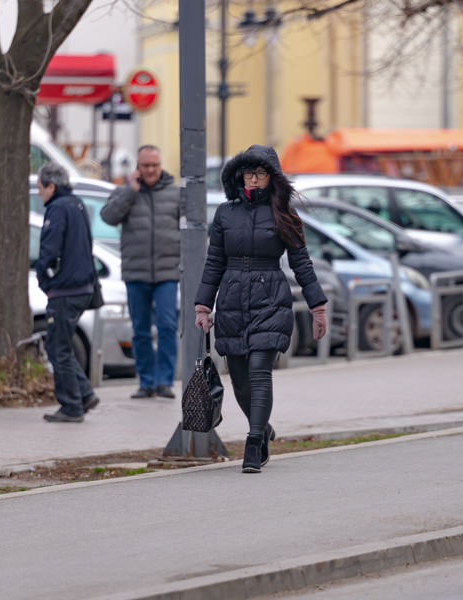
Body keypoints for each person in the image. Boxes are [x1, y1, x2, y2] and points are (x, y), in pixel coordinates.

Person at [194, 145, 329, 473]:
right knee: (240, 379)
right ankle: (263, 426)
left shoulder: (285, 214)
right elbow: (214, 262)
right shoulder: (225, 214)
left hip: (270, 298)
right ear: (239, 175)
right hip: (232, 300)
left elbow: (301, 263)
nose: (253, 179)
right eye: (249, 173)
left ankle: (254, 442)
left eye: (261, 173)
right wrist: (203, 305)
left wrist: (318, 307)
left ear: (272, 177)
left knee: (259, 369)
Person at [101, 145, 181, 399]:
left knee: (167, 326)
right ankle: (146, 382)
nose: (150, 170)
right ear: (138, 166)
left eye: (154, 165)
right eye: (145, 165)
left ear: (160, 165)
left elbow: (191, 226)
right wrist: (130, 192)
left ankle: (164, 382)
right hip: (136, 273)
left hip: (167, 273)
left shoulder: (175, 193)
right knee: (141, 331)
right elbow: (108, 216)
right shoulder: (125, 192)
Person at [36, 163, 101, 423]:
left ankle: (72, 405)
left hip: (64, 289)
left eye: (40, 187)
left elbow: (49, 250)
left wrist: (43, 278)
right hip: (82, 287)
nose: (39, 193)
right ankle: (84, 394)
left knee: (57, 348)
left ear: (51, 186)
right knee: (60, 345)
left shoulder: (58, 208)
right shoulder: (77, 204)